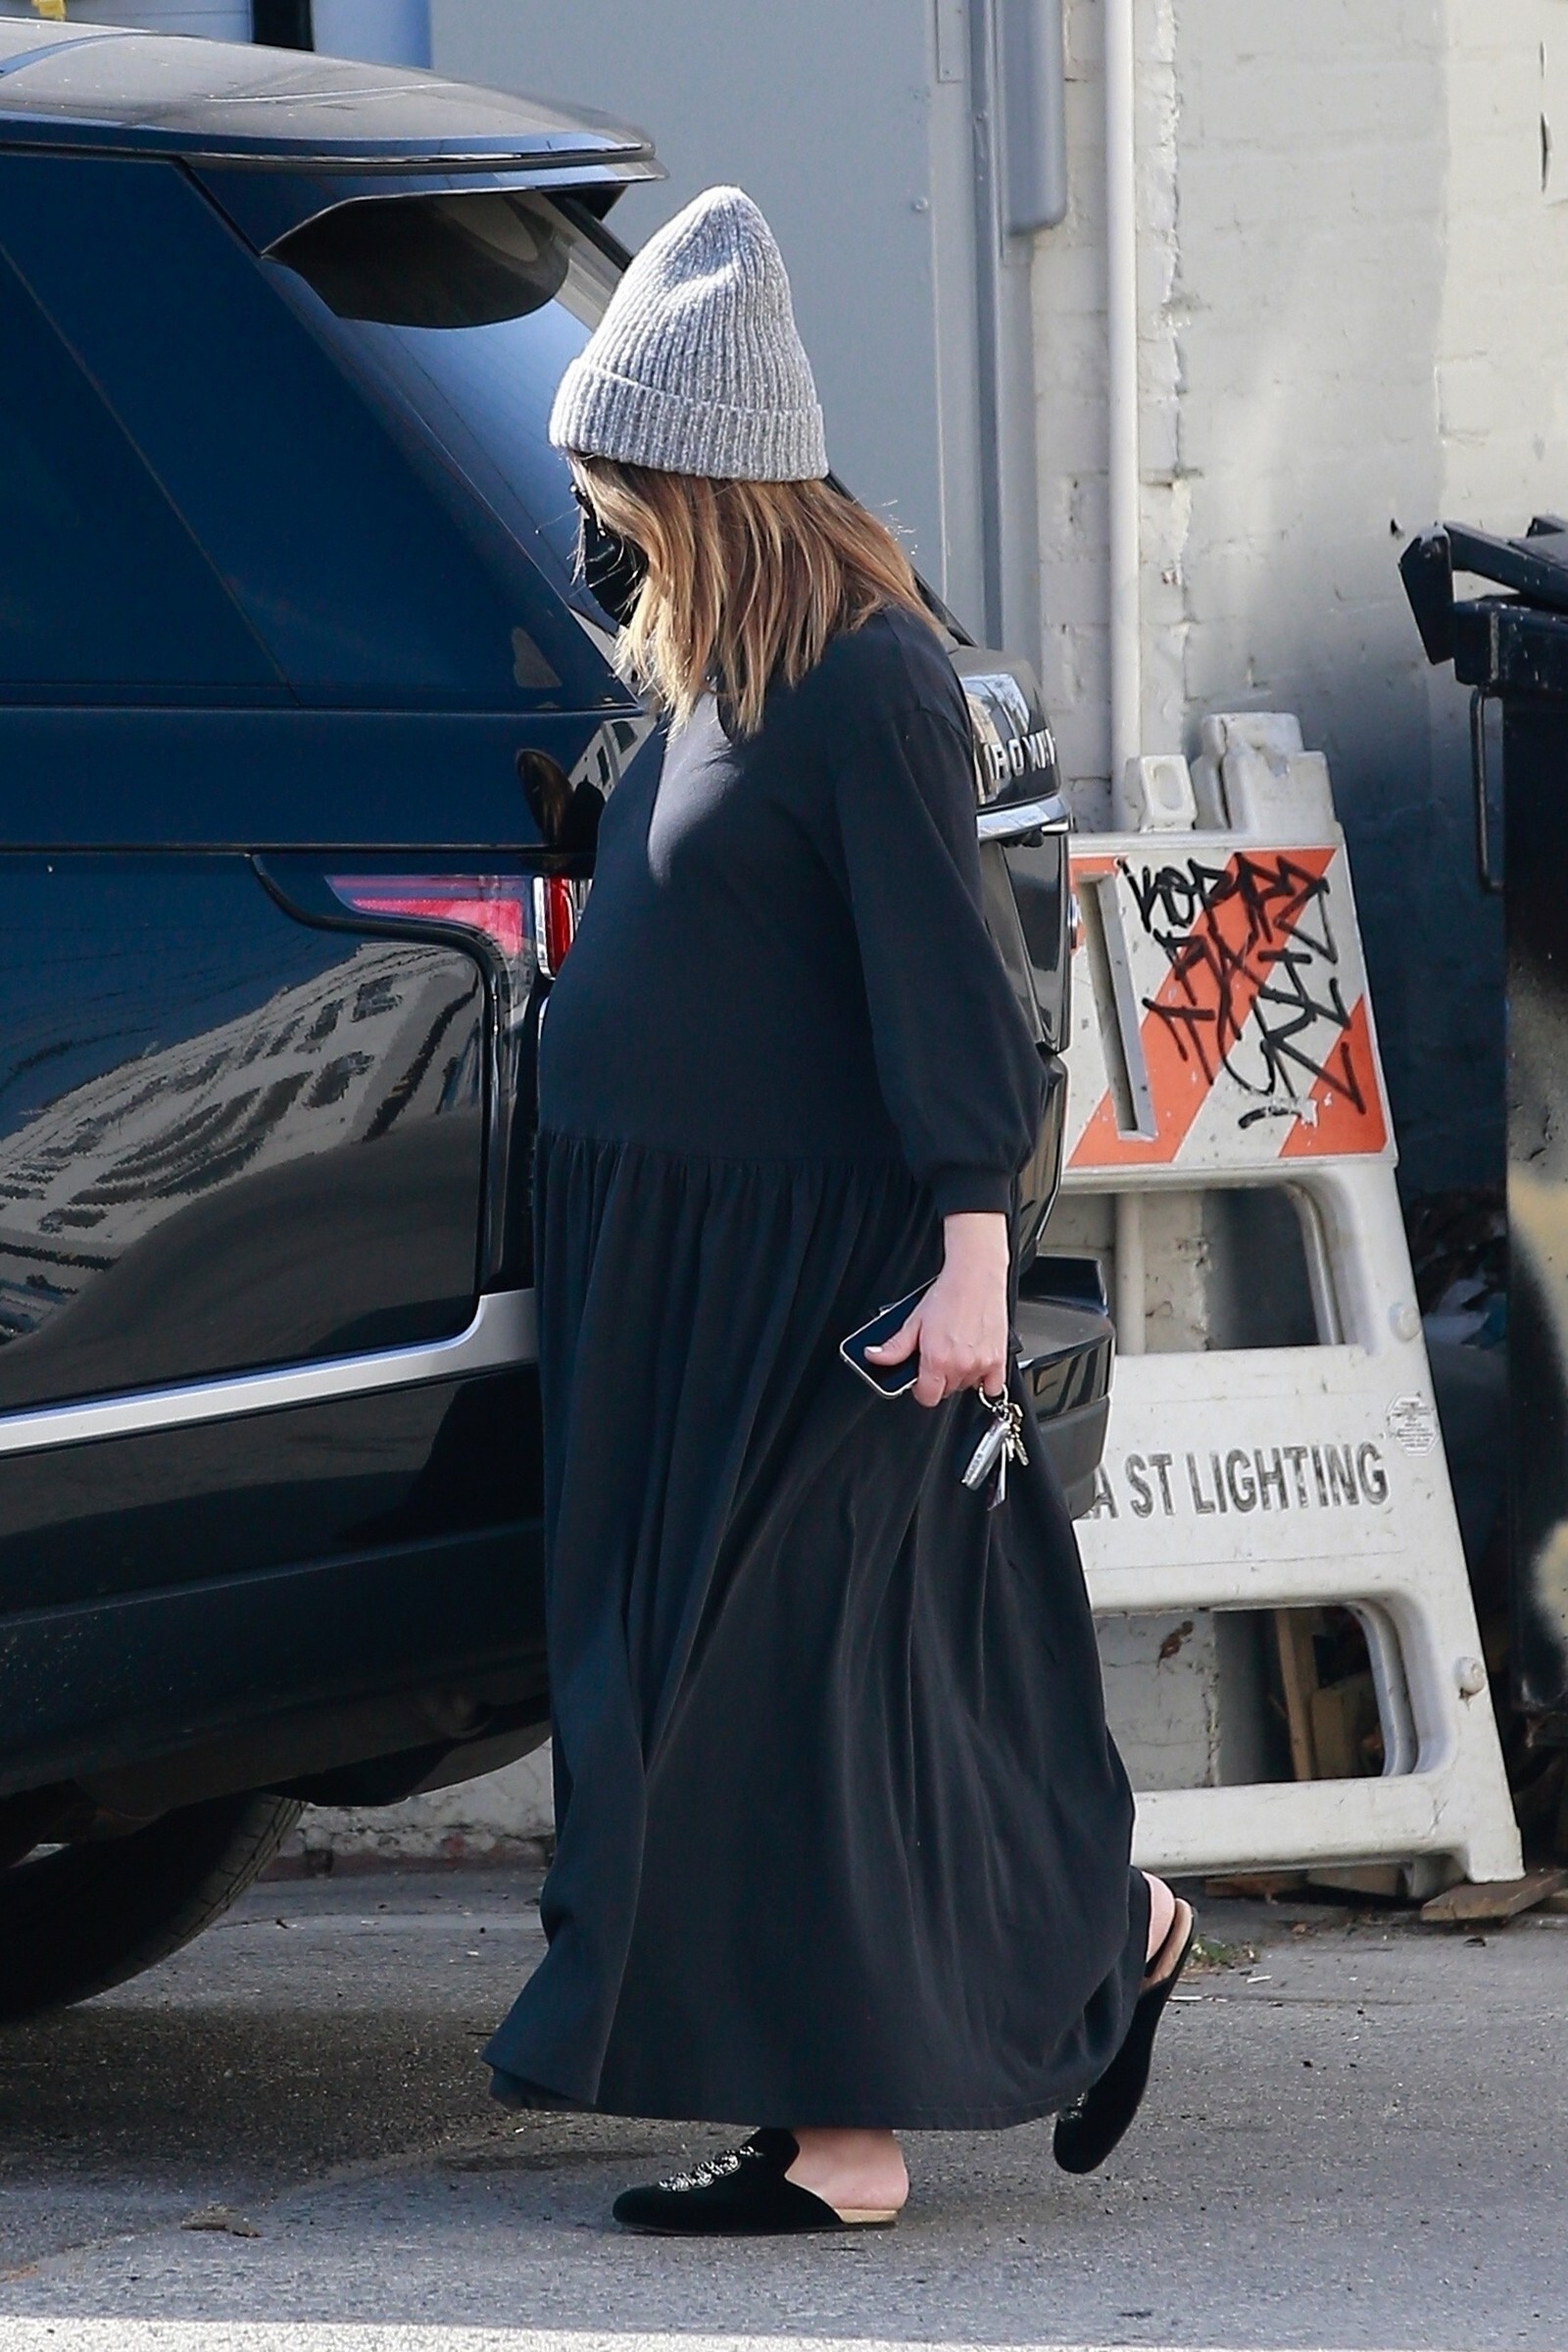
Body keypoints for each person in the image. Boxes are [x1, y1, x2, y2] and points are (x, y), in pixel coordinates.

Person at [482, 185, 1195, 2235]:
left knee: (766, 1712)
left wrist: (969, 1270)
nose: (595, 507)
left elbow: (950, 990)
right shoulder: (718, 671)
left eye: (613, 472)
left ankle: (844, 2143)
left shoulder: (873, 680)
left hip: (806, 1276)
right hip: (674, 1266)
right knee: (770, 1698)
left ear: (697, 475)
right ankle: (1110, 1929)